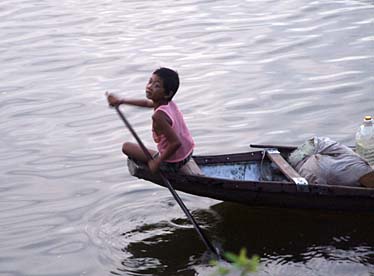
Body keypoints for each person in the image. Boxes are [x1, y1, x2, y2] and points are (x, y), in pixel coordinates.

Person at [107, 67, 195, 173]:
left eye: (156, 86)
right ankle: (162, 157)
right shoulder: (168, 103)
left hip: (174, 162)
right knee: (144, 150)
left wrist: (157, 162)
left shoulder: (159, 116)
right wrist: (121, 101)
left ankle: (161, 158)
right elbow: (147, 103)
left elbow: (176, 143)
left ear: (167, 94)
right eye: (150, 82)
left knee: (126, 147)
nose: (150, 87)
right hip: (188, 153)